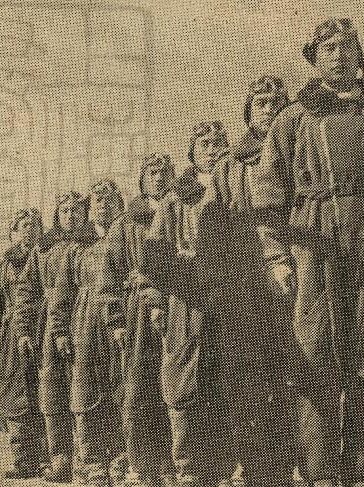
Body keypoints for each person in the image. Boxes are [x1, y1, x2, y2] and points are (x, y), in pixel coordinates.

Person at [251, 18, 364, 487]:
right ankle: (322, 472)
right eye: (329, 47)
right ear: (314, 58)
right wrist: (277, 257)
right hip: (314, 247)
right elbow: (267, 195)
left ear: (359, 54)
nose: (340, 55)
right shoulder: (294, 118)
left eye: (347, 45)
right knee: (316, 355)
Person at [197, 76, 296, 487]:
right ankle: (252, 465)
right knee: (245, 377)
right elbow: (209, 226)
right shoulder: (229, 166)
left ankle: (294, 466)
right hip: (243, 284)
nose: (270, 109)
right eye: (261, 103)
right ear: (248, 114)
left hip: (299, 273)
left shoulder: (299, 148)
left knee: (297, 371)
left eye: (277, 102)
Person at [94, 154, 182, 487]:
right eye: (152, 173)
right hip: (138, 315)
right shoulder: (126, 223)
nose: (159, 178)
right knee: (139, 391)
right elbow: (109, 277)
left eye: (165, 172)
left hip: (179, 305)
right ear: (142, 180)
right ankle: (144, 468)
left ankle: (174, 466)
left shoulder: (181, 210)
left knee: (177, 387)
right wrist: (116, 321)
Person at [159, 123, 235, 487]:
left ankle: (228, 468)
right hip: (186, 299)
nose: (212, 149)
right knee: (184, 380)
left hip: (233, 295)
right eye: (204, 144)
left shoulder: (237, 185)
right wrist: (160, 299)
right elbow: (155, 254)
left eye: (219, 143)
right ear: (191, 152)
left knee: (231, 381)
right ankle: (188, 468)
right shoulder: (176, 199)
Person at [51, 180, 127, 487]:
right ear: (90, 209)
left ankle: (121, 460)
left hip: (122, 321)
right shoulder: (76, 249)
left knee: (121, 389)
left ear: (119, 206)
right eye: (97, 202)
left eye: (109, 201)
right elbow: (61, 297)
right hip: (85, 325)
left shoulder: (128, 237)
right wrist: (59, 332)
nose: (103, 207)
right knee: (85, 393)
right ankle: (92, 463)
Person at [13, 192, 92, 482]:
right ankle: (60, 460)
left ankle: (87, 460)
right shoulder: (44, 249)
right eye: (65, 211)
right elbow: (25, 291)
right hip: (49, 328)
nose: (71, 216)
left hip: (85, 321)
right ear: (57, 216)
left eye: (76, 210)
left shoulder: (93, 243)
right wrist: (23, 330)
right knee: (52, 392)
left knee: (84, 390)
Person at [0, 208, 45, 479]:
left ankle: (46, 459)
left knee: (44, 391)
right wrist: (7, 328)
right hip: (12, 339)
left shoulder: (46, 256)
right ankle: (23, 461)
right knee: (15, 394)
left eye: (34, 225)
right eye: (23, 226)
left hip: (43, 330)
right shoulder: (4, 268)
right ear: (13, 233)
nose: (29, 230)